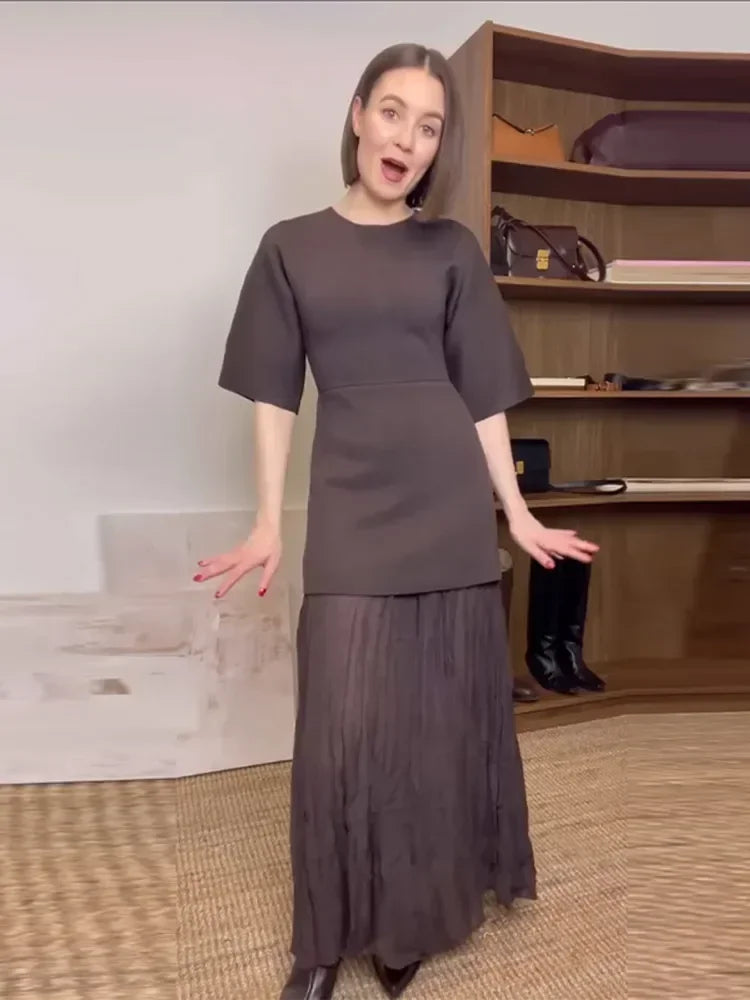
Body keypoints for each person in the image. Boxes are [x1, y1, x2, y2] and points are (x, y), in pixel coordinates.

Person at [195, 42, 599, 1000]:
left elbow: (483, 399)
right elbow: (273, 395)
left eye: (428, 127)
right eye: (392, 113)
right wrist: (266, 522)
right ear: (356, 113)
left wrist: (517, 513)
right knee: (340, 733)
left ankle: (408, 921)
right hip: (351, 507)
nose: (406, 141)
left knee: (429, 730)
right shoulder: (290, 246)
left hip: (449, 506)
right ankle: (320, 943)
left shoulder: (451, 250)